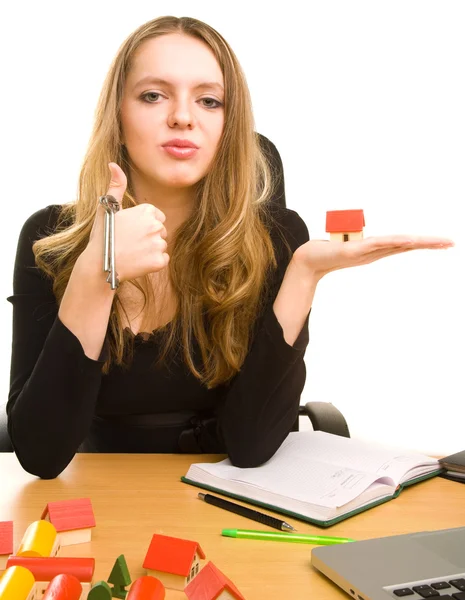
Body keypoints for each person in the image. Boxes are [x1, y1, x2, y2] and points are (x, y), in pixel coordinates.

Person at [7, 16, 453, 480]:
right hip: (102, 499)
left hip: (223, 503)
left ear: (229, 123)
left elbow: (251, 445)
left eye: (209, 100)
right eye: (153, 95)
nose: (183, 116)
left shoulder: (274, 238)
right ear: (117, 114)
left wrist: (302, 275)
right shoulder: (49, 238)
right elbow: (42, 453)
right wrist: (96, 275)